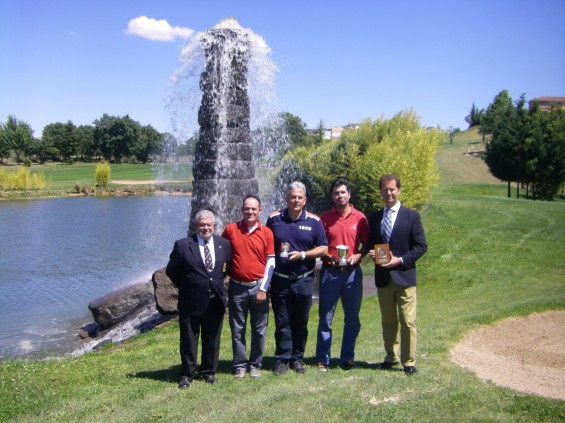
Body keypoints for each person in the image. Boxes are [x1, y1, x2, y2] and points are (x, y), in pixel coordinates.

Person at [367, 174, 427, 375]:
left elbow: (421, 246)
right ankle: (390, 357)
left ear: (399, 190)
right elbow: (371, 245)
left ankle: (408, 361)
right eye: (385, 189)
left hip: (404, 276)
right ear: (380, 191)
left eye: (392, 189)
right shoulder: (374, 217)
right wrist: (371, 253)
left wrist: (400, 260)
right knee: (388, 321)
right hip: (383, 278)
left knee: (408, 322)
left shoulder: (411, 216)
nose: (389, 192)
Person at [266, 181, 328, 375]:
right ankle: (282, 359)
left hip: (303, 279)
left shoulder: (314, 221)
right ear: (287, 198)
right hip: (280, 279)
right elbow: (266, 244)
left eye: (299, 197)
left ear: (305, 200)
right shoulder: (274, 218)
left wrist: (302, 255)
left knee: (301, 322)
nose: (296, 200)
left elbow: (324, 248)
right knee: (282, 322)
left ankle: (297, 358)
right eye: (292, 196)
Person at [166, 210, 232, 389]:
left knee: (212, 337)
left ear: (214, 226)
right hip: (191, 300)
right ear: (196, 227)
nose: (205, 228)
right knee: (189, 338)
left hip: (215, 300)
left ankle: (208, 371)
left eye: (209, 225)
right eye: (202, 225)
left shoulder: (224, 244)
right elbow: (171, 271)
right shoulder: (182, 245)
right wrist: (189, 286)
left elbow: (226, 269)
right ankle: (187, 373)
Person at [316, 177, 369, 372]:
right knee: (325, 318)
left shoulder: (360, 218)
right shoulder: (324, 218)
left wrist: (358, 255)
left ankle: (347, 357)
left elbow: (367, 244)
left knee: (352, 317)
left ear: (349, 194)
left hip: (352, 274)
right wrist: (328, 255)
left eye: (343, 192)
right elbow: (319, 244)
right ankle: (323, 358)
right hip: (330, 272)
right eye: (336, 193)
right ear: (332, 196)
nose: (340, 196)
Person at [221, 195, 275, 379]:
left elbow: (271, 262)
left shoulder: (266, 232)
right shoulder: (230, 230)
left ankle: (255, 364)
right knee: (237, 328)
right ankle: (240, 365)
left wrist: (263, 289)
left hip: (258, 286)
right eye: (247, 208)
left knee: (259, 329)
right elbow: (223, 255)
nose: (250, 212)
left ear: (260, 211)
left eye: (254, 209)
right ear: (242, 210)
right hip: (237, 288)